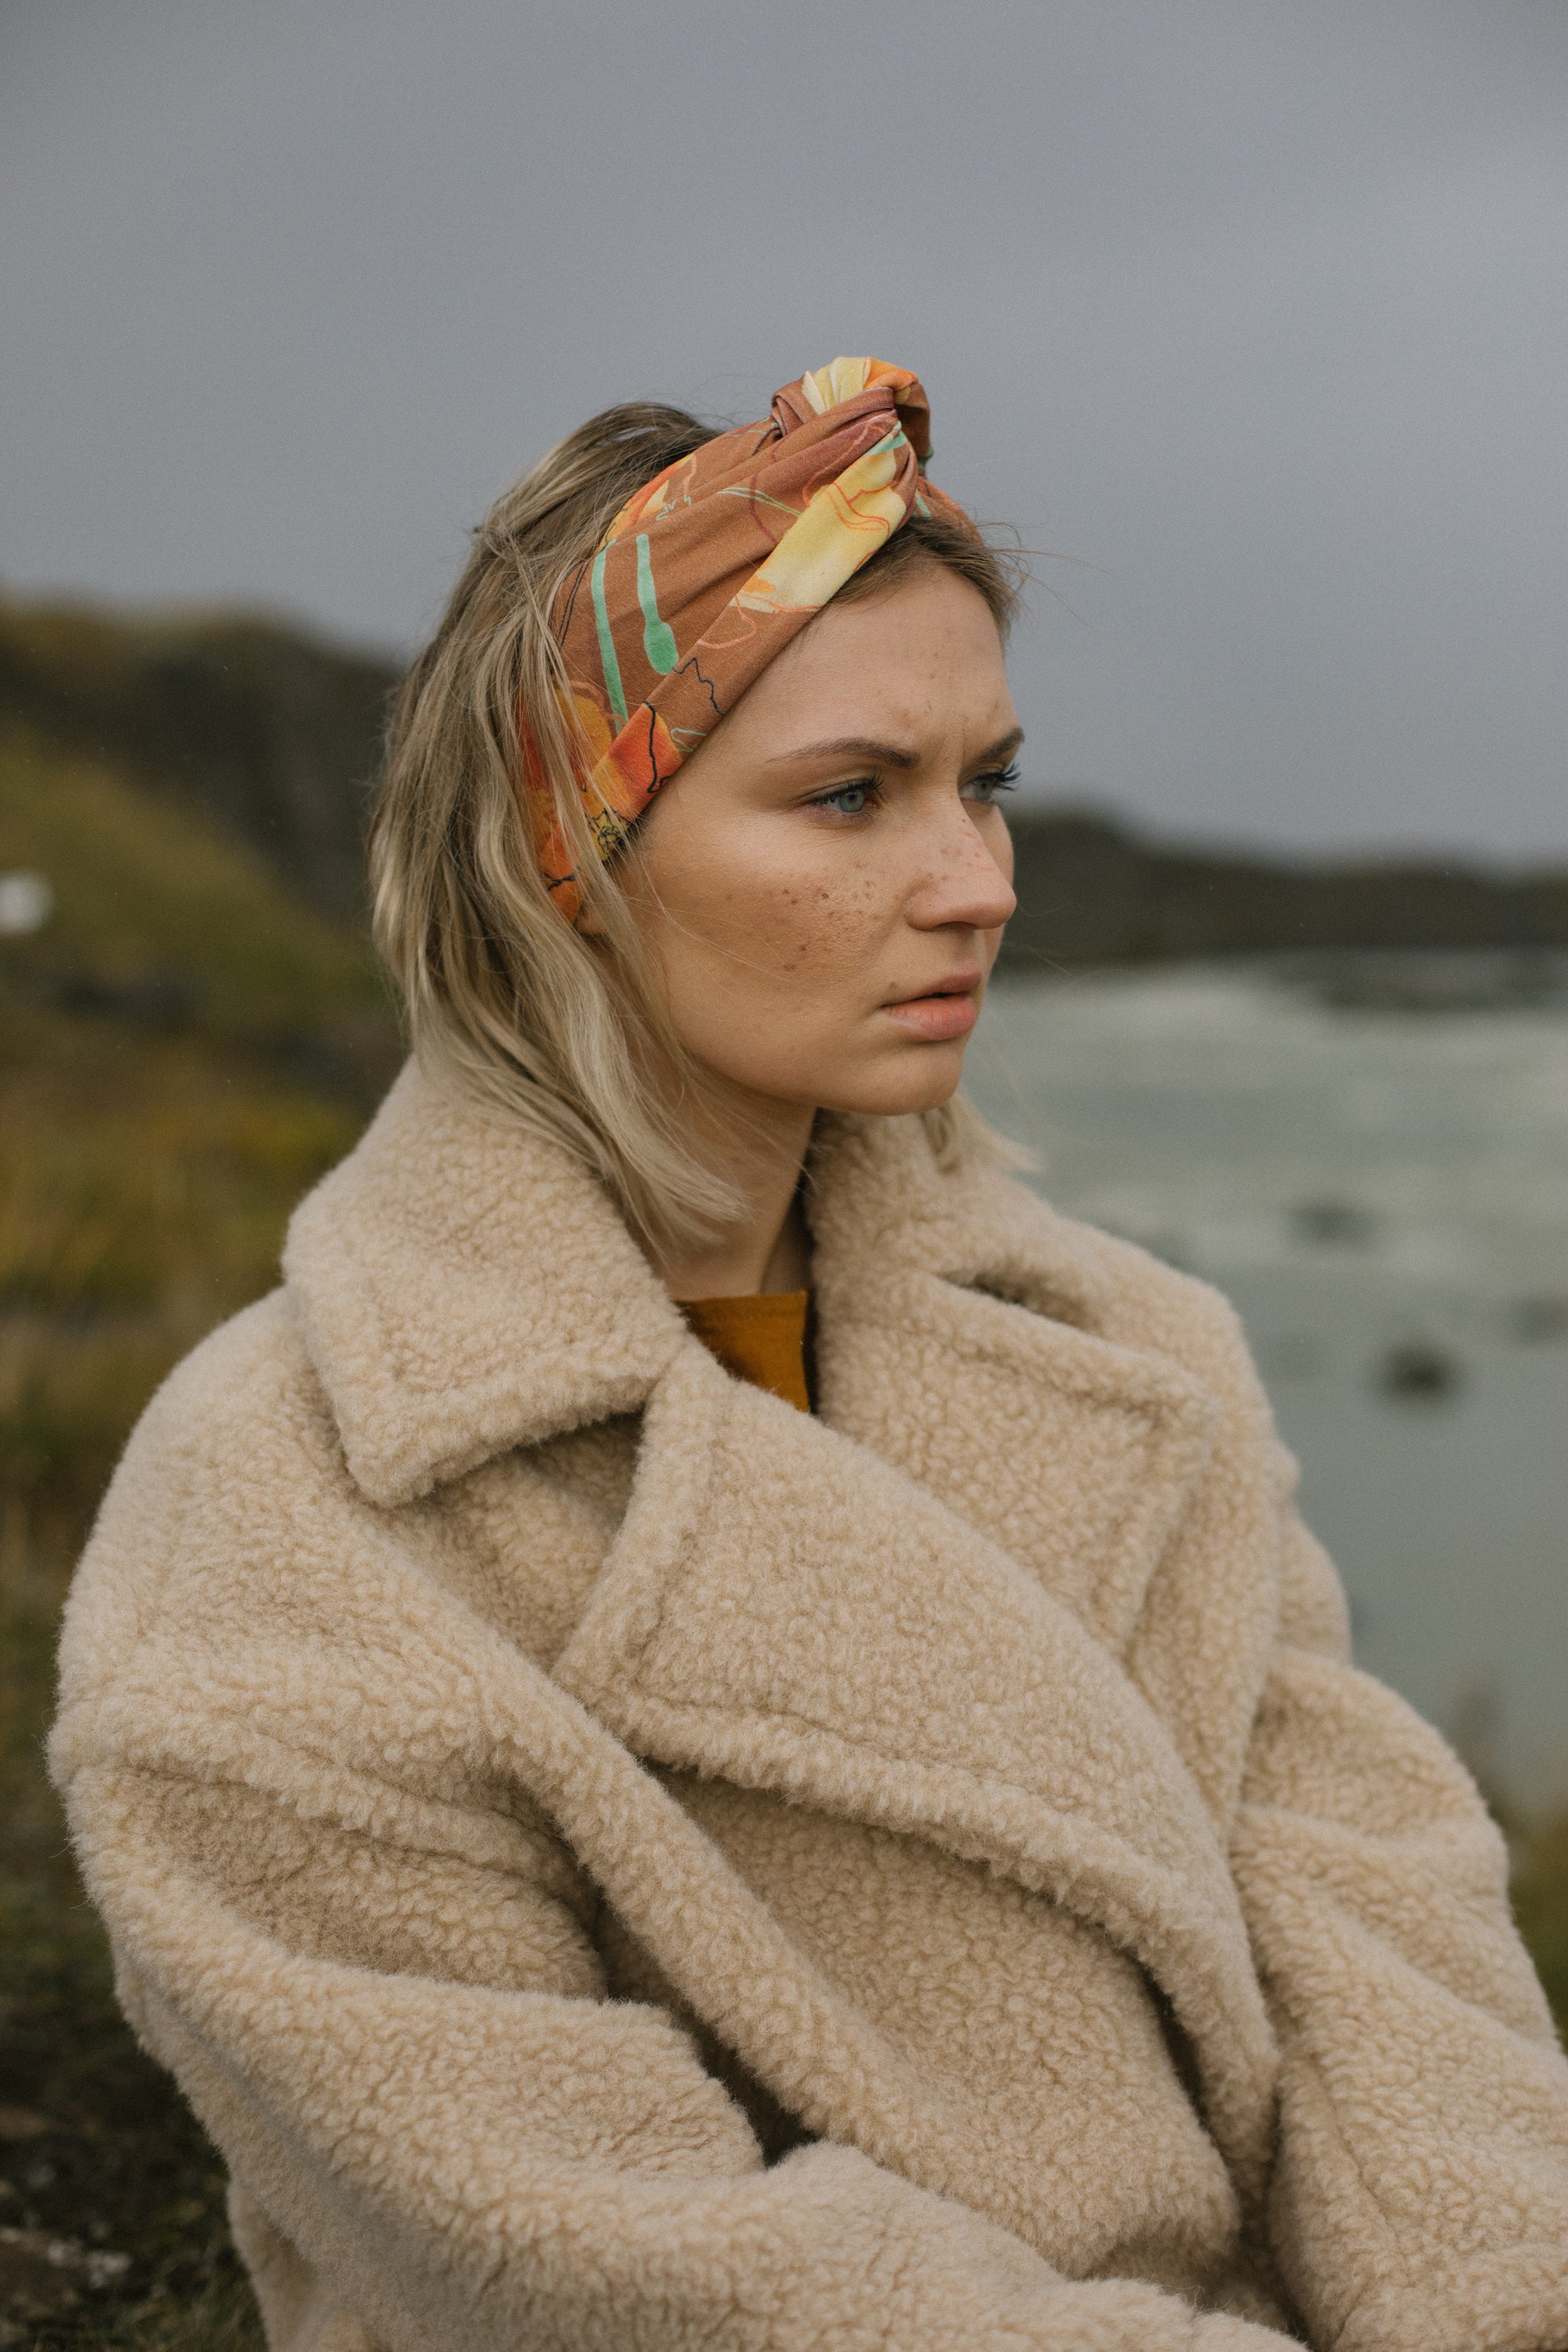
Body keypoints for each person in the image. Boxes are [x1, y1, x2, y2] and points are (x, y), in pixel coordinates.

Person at [51, 358, 1568, 2352]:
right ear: (565, 848)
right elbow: (604, 2262)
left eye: (986, 783)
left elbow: (1378, 1913)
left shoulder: (1137, 1351)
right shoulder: (275, 1522)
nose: (977, 884)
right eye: (851, 796)